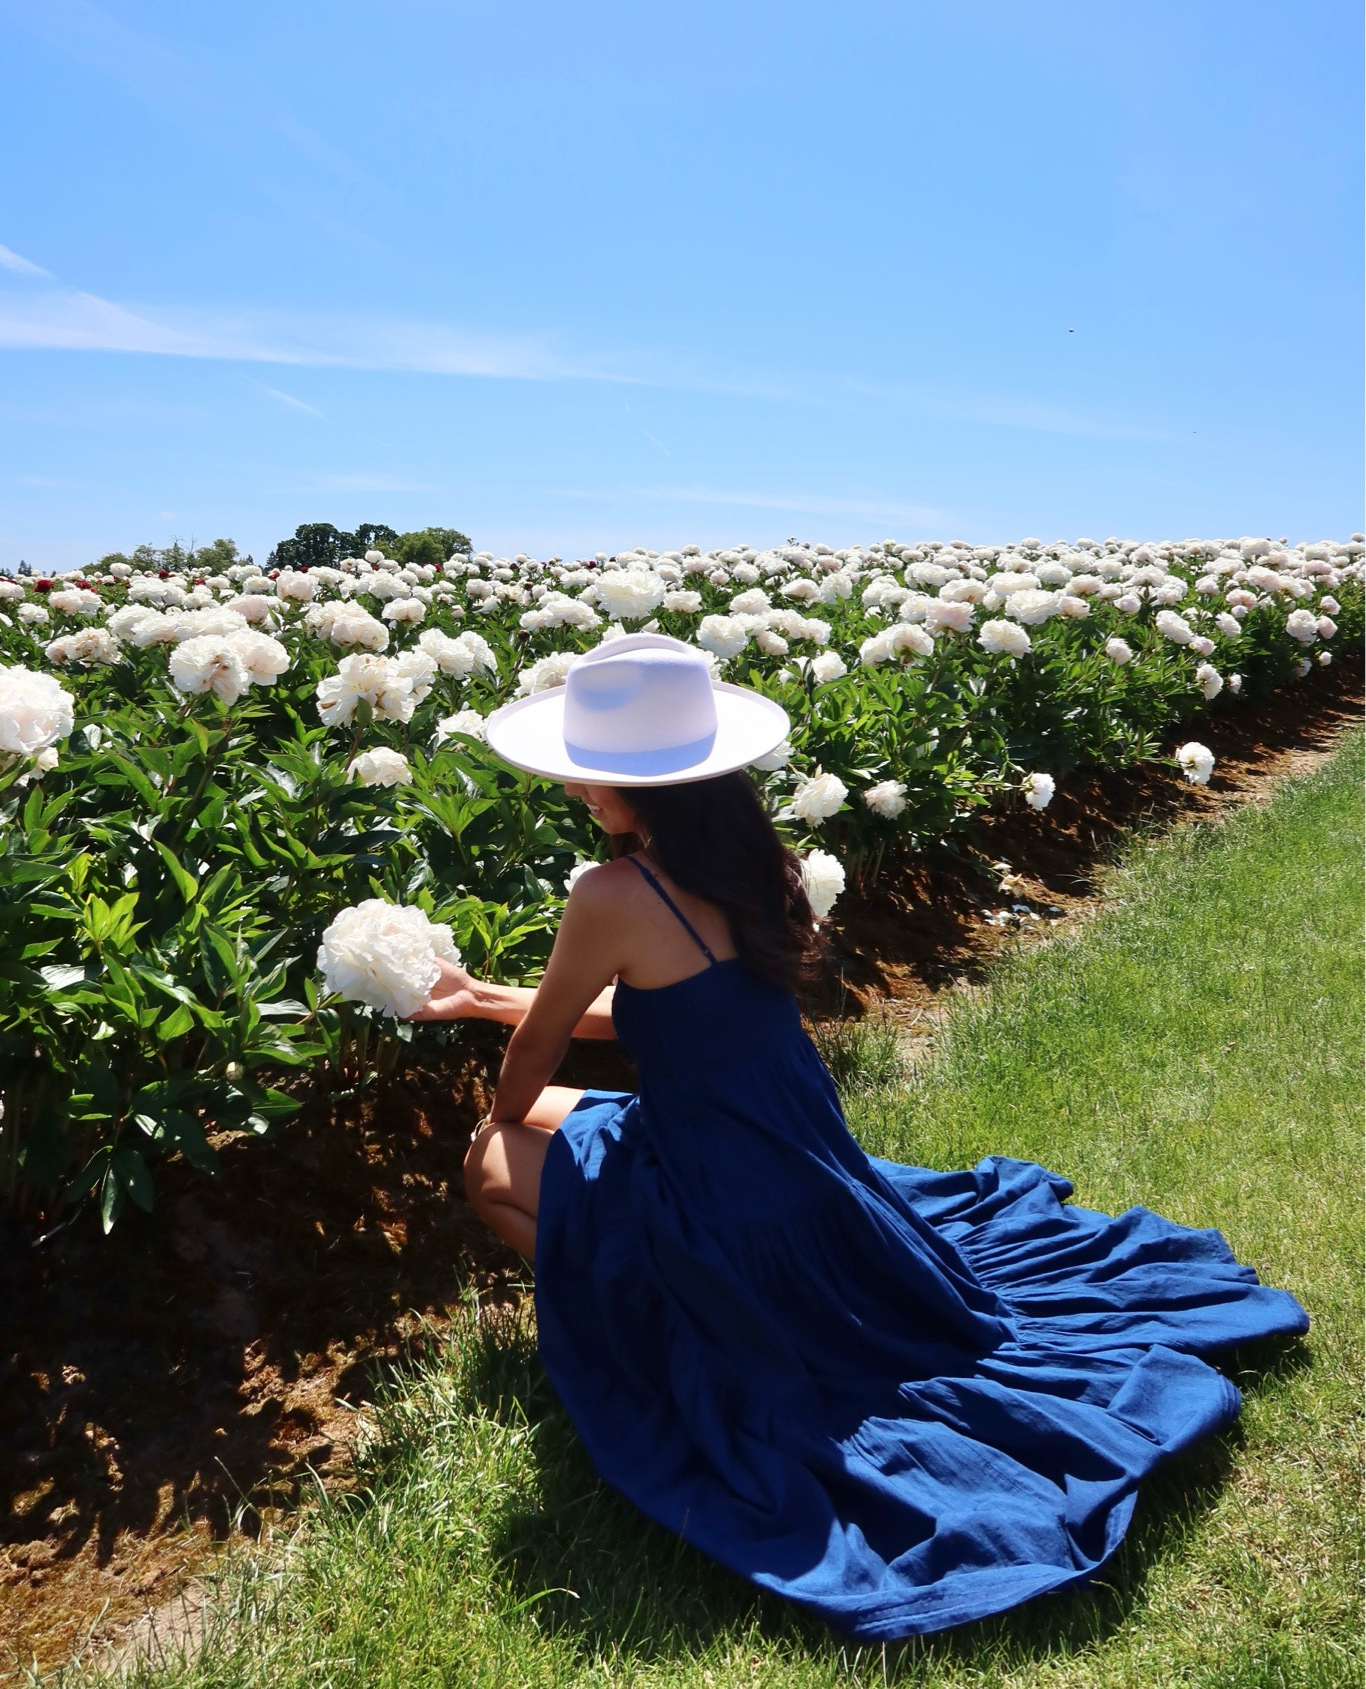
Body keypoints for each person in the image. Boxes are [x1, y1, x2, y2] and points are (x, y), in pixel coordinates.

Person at [412, 632, 1308, 1641]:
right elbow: (675, 1009)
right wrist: (481, 995)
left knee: (492, 1162)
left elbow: (537, 1054)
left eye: (594, 777)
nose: (581, 791)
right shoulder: (762, 865)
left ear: (637, 786)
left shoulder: (611, 892)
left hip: (719, 1174)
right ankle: (649, 1277)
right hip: (797, 1154)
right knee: (557, 1132)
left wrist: (496, 1105)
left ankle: (650, 1317)